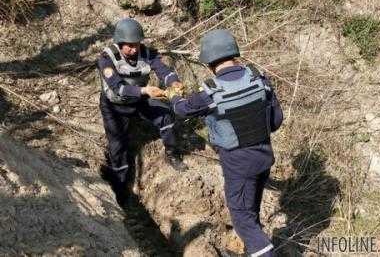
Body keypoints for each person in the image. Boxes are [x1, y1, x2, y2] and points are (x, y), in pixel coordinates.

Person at [168, 29, 283, 257]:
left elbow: (181, 109)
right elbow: (276, 121)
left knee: (242, 220)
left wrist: (173, 94)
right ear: (234, 53)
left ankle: (262, 252)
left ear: (209, 62)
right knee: (250, 213)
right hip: (264, 158)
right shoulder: (259, 79)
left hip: (238, 166)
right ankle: (254, 250)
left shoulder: (211, 92)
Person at [98, 18, 188, 206]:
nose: (133, 49)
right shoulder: (107, 59)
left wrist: (173, 82)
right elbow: (118, 88)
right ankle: (120, 190)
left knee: (165, 117)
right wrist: (145, 90)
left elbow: (164, 70)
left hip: (139, 99)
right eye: (129, 46)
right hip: (115, 106)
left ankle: (172, 154)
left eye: (136, 45)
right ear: (119, 43)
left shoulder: (147, 53)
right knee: (117, 145)